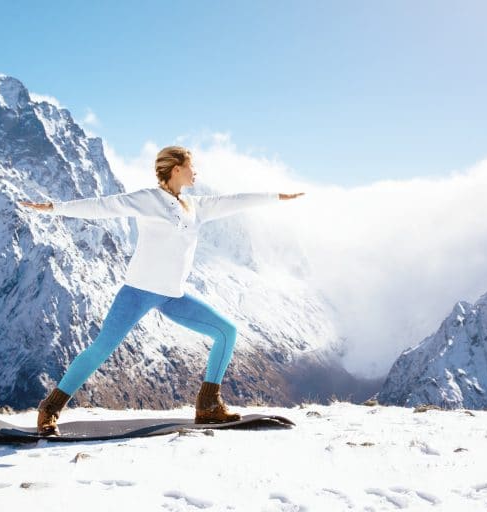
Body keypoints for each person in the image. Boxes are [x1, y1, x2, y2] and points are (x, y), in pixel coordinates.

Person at [18, 145, 305, 435]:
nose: (197, 172)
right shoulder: (148, 200)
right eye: (192, 166)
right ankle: (50, 408)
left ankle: (208, 406)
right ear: (176, 169)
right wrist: (55, 208)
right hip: (138, 292)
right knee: (101, 349)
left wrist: (276, 197)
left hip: (173, 295)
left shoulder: (196, 206)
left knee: (226, 332)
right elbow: (103, 206)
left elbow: (233, 201)